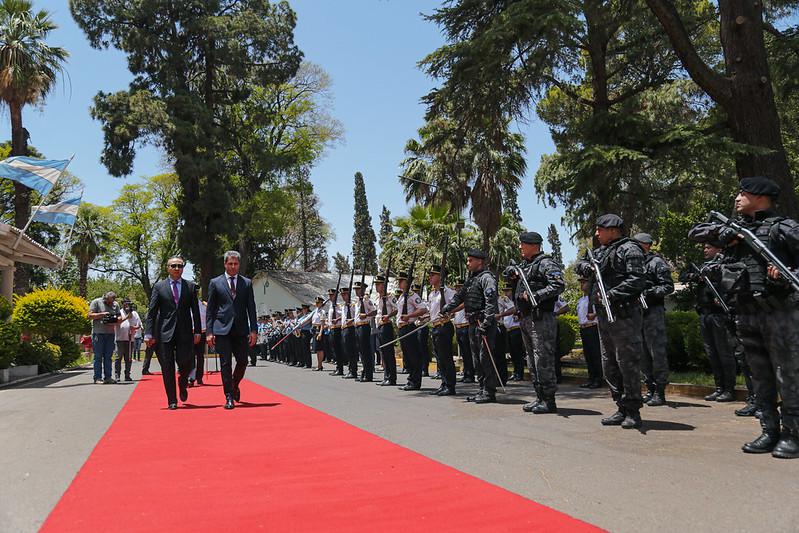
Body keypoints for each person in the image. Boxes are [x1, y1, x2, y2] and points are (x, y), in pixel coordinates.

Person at [691, 176, 799, 458]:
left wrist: (787, 278)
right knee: (760, 376)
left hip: (779, 313)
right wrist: (728, 235)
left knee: (788, 376)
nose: (737, 198)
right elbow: (697, 233)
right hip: (747, 313)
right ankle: (769, 430)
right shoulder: (735, 229)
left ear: (761, 197)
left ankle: (793, 433)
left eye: (743, 193)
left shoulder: (784, 228)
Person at [576, 214, 647, 429]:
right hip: (604, 315)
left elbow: (637, 280)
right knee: (609, 362)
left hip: (624, 314)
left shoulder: (630, 249)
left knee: (627, 362)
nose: (597, 234)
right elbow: (580, 265)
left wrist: (613, 294)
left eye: (600, 229)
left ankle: (633, 409)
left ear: (613, 229)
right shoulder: (600, 252)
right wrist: (585, 268)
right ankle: (620, 405)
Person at [508, 231, 565, 414]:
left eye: (523, 244)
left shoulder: (546, 263)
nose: (520, 247)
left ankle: (549, 399)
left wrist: (536, 296)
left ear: (533, 245)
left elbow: (558, 285)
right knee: (532, 360)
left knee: (543, 358)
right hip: (526, 318)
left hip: (541, 317)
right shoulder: (526, 266)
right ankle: (539, 396)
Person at [680, 243, 737, 403]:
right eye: (704, 247)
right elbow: (683, 276)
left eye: (709, 247)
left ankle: (729, 389)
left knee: (724, 352)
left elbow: (731, 285)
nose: (705, 250)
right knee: (712, 353)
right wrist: (696, 277)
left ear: (719, 249)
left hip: (720, 315)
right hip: (705, 313)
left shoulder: (725, 265)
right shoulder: (703, 267)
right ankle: (719, 388)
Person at [442, 249, 499, 404]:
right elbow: (459, 297)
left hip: (483, 323)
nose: (468, 264)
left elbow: (491, 301)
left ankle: (489, 391)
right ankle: (481, 389)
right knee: (476, 359)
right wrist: (447, 308)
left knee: (485, 358)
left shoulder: (487, 278)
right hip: (472, 323)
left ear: (479, 261)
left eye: (470, 260)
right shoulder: (472, 280)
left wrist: (487, 323)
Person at [144, 257, 202, 409]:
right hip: (165, 332)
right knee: (167, 367)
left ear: (183, 268)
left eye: (180, 266)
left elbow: (195, 311)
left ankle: (183, 383)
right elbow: (152, 311)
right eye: (173, 266)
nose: (177, 268)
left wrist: (197, 331)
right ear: (167, 268)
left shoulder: (190, 287)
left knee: (186, 363)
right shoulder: (159, 287)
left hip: (185, 332)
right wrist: (148, 333)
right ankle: (172, 400)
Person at [206, 251, 258, 410]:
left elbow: (251, 308)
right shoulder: (215, 282)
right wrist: (209, 331)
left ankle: (234, 384)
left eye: (236, 264)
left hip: (241, 329)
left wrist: (254, 330)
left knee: (243, 361)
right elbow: (211, 310)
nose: (233, 266)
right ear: (225, 264)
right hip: (222, 329)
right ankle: (229, 396)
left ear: (239, 265)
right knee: (225, 363)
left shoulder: (247, 283)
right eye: (230, 264)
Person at [633, 232, 675, 407]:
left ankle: (659, 391)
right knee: (642, 354)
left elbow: (668, 286)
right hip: (638, 314)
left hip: (653, 312)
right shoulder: (634, 264)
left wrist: (649, 292)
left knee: (656, 352)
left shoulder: (656, 262)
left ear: (646, 245)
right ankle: (649, 388)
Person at [427, 265, 457, 396]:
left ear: (440, 277)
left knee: (446, 357)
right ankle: (444, 383)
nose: (430, 277)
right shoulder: (432, 294)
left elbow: (461, 303)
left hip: (444, 326)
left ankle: (450, 386)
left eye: (433, 275)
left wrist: (450, 312)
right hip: (435, 327)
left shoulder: (448, 292)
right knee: (439, 358)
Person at [395, 271, 428, 391]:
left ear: (407, 282)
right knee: (408, 356)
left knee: (413, 355)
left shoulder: (412, 295)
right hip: (402, 328)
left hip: (409, 327)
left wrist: (409, 316)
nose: (399, 283)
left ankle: (415, 381)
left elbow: (423, 309)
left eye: (401, 281)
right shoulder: (402, 296)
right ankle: (411, 380)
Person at [87, 291, 122, 384]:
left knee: (108, 356)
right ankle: (97, 378)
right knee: (98, 356)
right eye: (109, 302)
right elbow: (89, 315)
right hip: (98, 333)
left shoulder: (116, 304)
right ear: (105, 298)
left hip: (110, 334)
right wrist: (102, 314)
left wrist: (115, 319)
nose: (111, 304)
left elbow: (119, 317)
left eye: (112, 302)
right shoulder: (96, 302)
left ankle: (108, 377)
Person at [576, 276, 602, 388]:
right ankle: (591, 378)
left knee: (595, 354)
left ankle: (598, 379)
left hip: (593, 327)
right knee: (588, 355)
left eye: (584, 282)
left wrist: (595, 314)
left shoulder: (595, 297)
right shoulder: (581, 299)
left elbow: (602, 310)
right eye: (581, 283)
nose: (582, 285)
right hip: (584, 328)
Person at [374, 274, 398, 386]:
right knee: (383, 352)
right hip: (379, 326)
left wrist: (388, 316)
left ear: (383, 285)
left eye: (378, 284)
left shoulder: (390, 297)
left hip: (386, 326)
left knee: (388, 352)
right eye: (375, 284)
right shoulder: (377, 298)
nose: (376, 287)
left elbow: (397, 309)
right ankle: (386, 376)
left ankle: (391, 378)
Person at [499, 284, 525, 381]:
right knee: (512, 353)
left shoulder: (516, 301)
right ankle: (515, 372)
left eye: (508, 291)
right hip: (508, 330)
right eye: (505, 291)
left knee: (518, 353)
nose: (506, 293)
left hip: (516, 328)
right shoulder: (504, 301)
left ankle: (519, 373)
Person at [452, 278, 474, 383]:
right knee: (464, 353)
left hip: (465, 326)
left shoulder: (466, 298)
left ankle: (470, 375)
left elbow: (463, 306)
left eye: (459, 287)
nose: (457, 289)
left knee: (467, 352)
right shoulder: (456, 299)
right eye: (456, 288)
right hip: (458, 327)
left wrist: (453, 308)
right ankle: (466, 373)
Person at [354, 281, 376, 381]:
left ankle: (368, 374)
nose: (356, 291)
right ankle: (364, 372)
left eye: (358, 289)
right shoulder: (358, 300)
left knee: (366, 351)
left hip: (364, 326)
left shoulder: (366, 300)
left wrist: (366, 315)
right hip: (358, 327)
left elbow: (375, 311)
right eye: (355, 289)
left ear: (363, 290)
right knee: (361, 351)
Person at [114, 298, 140, 382]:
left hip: (130, 339)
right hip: (120, 339)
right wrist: (126, 317)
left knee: (128, 358)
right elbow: (117, 322)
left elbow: (138, 324)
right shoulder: (119, 312)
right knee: (118, 357)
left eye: (128, 304)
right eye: (125, 304)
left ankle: (127, 375)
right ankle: (117, 375)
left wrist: (134, 327)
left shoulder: (135, 313)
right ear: (123, 304)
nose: (127, 305)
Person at [339, 287, 358, 379]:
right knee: (347, 351)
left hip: (351, 328)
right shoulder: (343, 305)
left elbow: (357, 316)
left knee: (352, 351)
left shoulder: (353, 305)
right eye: (342, 295)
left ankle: (353, 371)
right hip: (344, 329)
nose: (343, 296)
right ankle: (350, 369)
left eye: (345, 294)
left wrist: (352, 320)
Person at [311, 297, 326, 371]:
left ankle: (320, 365)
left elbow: (322, 323)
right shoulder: (315, 311)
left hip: (319, 329)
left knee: (320, 348)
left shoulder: (322, 312)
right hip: (314, 329)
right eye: (316, 302)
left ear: (321, 303)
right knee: (317, 349)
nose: (316, 304)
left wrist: (320, 333)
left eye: (318, 302)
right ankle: (319, 364)